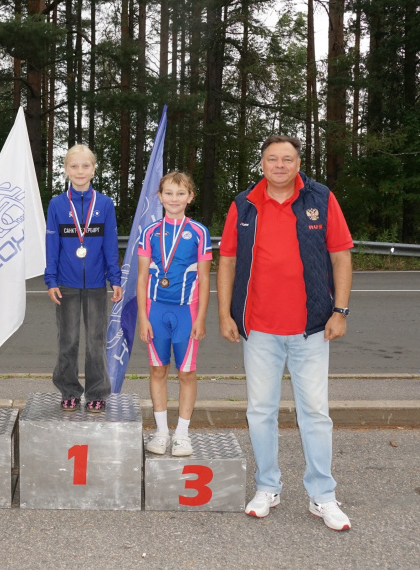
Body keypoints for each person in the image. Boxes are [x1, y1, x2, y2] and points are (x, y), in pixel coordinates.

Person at [217, 135, 353, 531]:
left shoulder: (321, 199)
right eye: (272, 159)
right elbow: (227, 260)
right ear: (261, 163)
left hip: (312, 328)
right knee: (260, 411)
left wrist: (340, 311)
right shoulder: (244, 204)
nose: (280, 165)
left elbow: (341, 255)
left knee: (316, 414)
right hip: (259, 329)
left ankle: (322, 494)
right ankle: (267, 487)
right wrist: (225, 314)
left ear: (298, 163)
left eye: (287, 159)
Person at [137, 172, 212, 456]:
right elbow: (141, 278)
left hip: (186, 312)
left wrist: (201, 318)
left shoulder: (199, 232)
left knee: (186, 372)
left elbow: (204, 279)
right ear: (160, 196)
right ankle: (161, 432)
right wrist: (143, 317)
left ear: (190, 197)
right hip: (156, 310)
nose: (174, 198)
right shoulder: (149, 232)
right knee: (158, 370)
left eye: (180, 193)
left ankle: (182, 434)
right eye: (168, 193)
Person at [45, 144, 122, 412]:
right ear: (66, 170)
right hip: (66, 284)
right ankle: (69, 390)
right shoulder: (57, 204)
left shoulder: (105, 204)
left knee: (95, 342)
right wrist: (51, 280)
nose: (80, 171)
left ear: (93, 169)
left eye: (85, 166)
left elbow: (110, 244)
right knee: (68, 340)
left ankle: (97, 392)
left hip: (97, 285)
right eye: (74, 166)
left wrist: (115, 278)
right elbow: (51, 246)